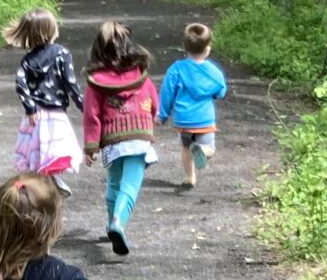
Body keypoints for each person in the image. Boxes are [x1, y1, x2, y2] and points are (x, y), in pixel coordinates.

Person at [81, 18, 160, 257]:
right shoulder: (141, 77)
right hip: (138, 137)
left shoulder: (96, 83)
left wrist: (91, 146)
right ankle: (118, 222)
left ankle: (110, 223)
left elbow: (91, 116)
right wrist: (148, 121)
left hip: (113, 140)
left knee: (113, 184)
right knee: (130, 186)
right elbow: (154, 105)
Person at [3, 6, 83, 192]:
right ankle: (49, 182)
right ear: (50, 30)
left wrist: (30, 108)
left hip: (36, 115)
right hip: (55, 115)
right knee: (53, 153)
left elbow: (20, 84)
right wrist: (84, 106)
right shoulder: (62, 53)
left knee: (36, 153)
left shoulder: (28, 60)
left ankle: (43, 182)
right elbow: (71, 83)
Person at [159, 20, 229, 188]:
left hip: (183, 119)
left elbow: (167, 92)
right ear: (207, 49)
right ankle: (203, 152)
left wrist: (162, 114)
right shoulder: (213, 71)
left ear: (185, 47)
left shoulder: (177, 69)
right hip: (204, 119)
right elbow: (221, 90)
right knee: (209, 147)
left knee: (185, 148)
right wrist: (215, 95)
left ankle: (190, 177)